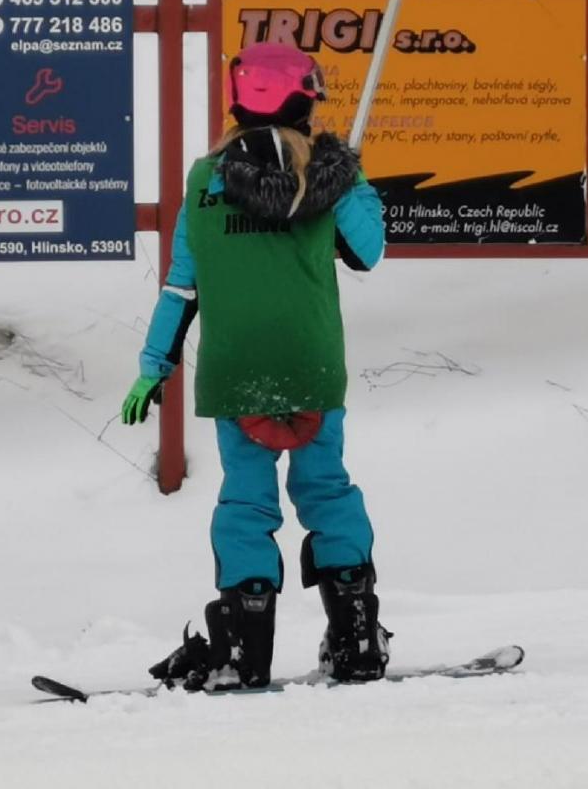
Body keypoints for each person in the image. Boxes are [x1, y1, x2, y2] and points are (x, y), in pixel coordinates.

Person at [121, 41, 389, 692]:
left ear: (237, 101)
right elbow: (368, 251)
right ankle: (356, 640)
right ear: (306, 100)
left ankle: (243, 650)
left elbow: (182, 287)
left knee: (246, 502)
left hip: (236, 367)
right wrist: (351, 177)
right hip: (312, 362)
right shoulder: (327, 179)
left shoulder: (204, 179)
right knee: (327, 490)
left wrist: (154, 365)